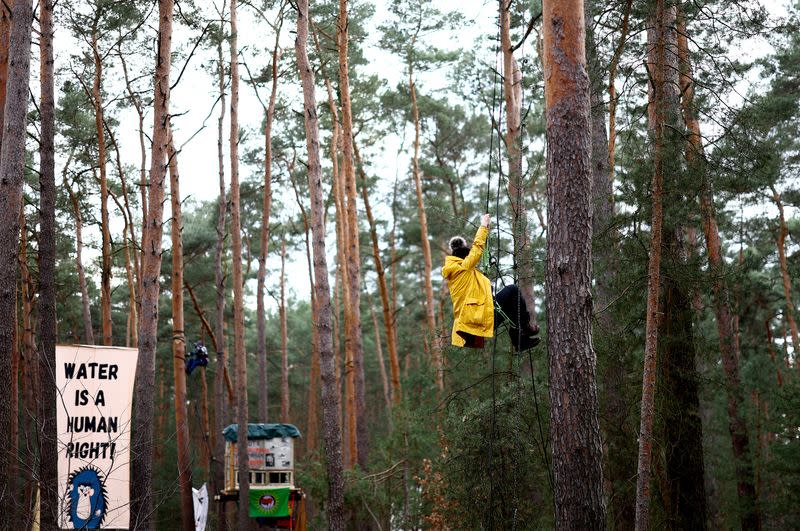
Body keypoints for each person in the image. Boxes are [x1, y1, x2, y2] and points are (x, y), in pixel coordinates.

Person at [442, 213, 540, 352]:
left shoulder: (459, 272)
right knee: (512, 290)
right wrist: (483, 226)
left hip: (475, 318)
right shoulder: (462, 267)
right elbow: (477, 249)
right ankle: (525, 327)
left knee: (512, 303)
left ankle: (519, 339)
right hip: (479, 318)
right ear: (465, 254)